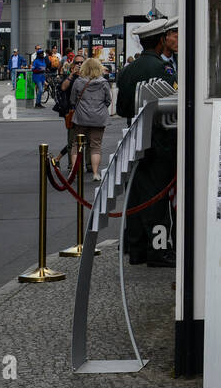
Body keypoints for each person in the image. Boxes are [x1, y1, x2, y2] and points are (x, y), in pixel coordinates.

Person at [116, 18, 179, 267]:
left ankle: (137, 247)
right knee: (157, 199)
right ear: (161, 39)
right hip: (161, 140)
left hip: (135, 138)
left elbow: (121, 108)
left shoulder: (129, 70)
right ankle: (158, 249)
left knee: (137, 194)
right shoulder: (162, 70)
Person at [70, 57, 112, 184]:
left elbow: (72, 100)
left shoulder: (78, 82)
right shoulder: (104, 83)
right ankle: (95, 173)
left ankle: (74, 171)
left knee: (76, 145)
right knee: (96, 146)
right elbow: (108, 101)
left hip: (81, 117)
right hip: (98, 118)